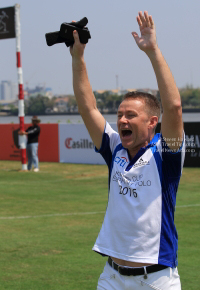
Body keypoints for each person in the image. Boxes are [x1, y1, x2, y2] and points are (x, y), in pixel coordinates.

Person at [69, 11, 185, 290]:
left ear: (152, 122)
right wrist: (77, 57)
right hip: (112, 276)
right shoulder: (115, 148)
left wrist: (152, 50)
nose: (122, 120)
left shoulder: (166, 154)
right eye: (120, 114)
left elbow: (174, 108)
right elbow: (88, 107)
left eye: (131, 115)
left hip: (156, 279)